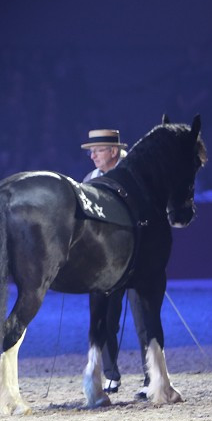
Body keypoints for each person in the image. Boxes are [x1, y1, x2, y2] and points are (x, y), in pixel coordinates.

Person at [81, 129, 131, 394]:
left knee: (145, 318)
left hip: (131, 256)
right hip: (103, 260)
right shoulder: (90, 179)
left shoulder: (130, 174)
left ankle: (152, 377)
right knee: (106, 317)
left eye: (97, 150)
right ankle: (110, 373)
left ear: (113, 151)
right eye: (91, 151)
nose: (92, 156)